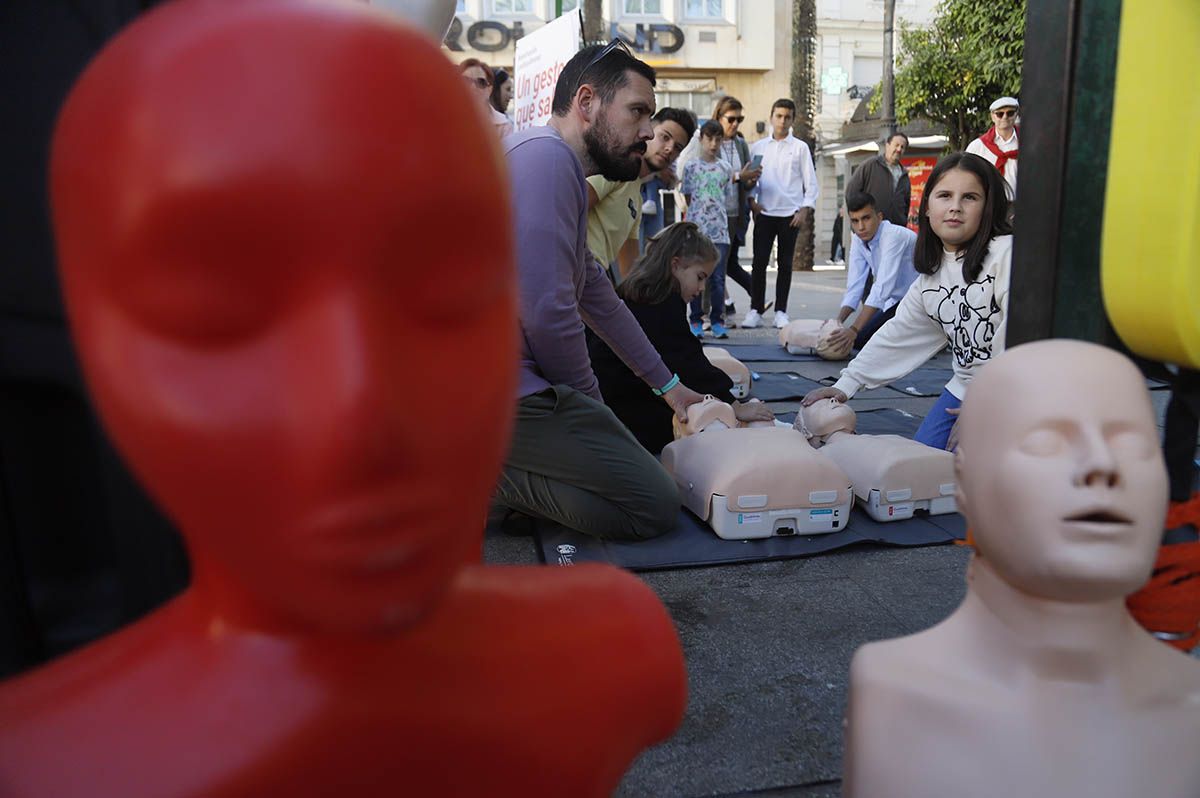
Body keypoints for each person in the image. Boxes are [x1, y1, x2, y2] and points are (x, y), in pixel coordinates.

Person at [0, 3, 689, 795]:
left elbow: (585, 294)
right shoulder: (40, 763)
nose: (359, 416)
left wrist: (663, 386)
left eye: (446, 290)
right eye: (216, 314)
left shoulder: (613, 660)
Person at [844, 340, 1200, 798]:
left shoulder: (1188, 702)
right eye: (1046, 443)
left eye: (1133, 444)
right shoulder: (892, 690)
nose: (1102, 465)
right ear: (963, 482)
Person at [499, 41, 705, 540]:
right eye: (637, 112)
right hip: (497, 395)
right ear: (586, 103)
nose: (648, 134)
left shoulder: (554, 165)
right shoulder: (546, 161)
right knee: (654, 504)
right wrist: (597, 415)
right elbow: (548, 313)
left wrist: (669, 387)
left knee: (631, 479)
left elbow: (597, 297)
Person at [801, 152, 1013, 451]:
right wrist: (845, 385)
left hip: (1017, 390)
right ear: (927, 207)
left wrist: (988, 407)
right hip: (966, 388)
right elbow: (898, 334)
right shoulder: (931, 277)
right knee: (927, 463)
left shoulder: (1007, 253)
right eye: (944, 195)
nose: (955, 207)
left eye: (969, 197)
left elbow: (1020, 338)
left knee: (983, 470)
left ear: (988, 207)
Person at [589, 223, 774, 455]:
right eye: (699, 277)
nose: (701, 288)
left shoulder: (643, 293)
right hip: (621, 410)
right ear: (675, 265)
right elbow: (687, 361)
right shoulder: (659, 304)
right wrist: (733, 405)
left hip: (609, 398)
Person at [587, 107, 694, 282]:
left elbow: (629, 269)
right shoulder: (614, 169)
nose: (669, 149)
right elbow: (566, 210)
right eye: (665, 137)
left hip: (594, 282)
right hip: (574, 276)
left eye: (677, 147)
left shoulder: (636, 198)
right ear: (648, 131)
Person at [678, 95, 762, 318]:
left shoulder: (739, 145)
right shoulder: (697, 153)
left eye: (739, 119)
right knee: (701, 268)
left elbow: (739, 184)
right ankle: (701, 315)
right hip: (701, 220)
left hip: (729, 216)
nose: (735, 124)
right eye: (731, 119)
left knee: (721, 269)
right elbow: (686, 187)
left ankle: (719, 314)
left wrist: (748, 179)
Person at [745, 98, 818, 330]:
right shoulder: (758, 147)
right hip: (765, 213)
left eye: (787, 116)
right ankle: (755, 310)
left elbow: (811, 183)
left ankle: (781, 312)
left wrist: (804, 209)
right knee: (758, 264)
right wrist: (752, 203)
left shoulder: (800, 148)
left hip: (790, 215)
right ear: (771, 117)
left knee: (785, 265)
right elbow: (750, 179)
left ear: (793, 119)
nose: (782, 120)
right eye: (779, 116)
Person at [827, 190, 918, 351]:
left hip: (919, 302)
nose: (861, 227)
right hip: (894, 302)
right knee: (861, 339)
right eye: (855, 221)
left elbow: (882, 288)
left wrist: (853, 329)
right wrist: (837, 322)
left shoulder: (893, 236)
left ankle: (926, 337)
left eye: (866, 218)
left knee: (861, 339)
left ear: (880, 217)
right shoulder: (858, 238)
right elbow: (855, 286)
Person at [680, 120, 733, 338]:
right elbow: (688, 196)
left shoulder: (725, 168)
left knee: (718, 279)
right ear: (701, 139)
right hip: (697, 230)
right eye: (709, 138)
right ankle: (695, 320)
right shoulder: (691, 167)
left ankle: (718, 320)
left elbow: (726, 197)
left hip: (719, 230)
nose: (713, 143)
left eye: (717, 139)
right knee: (694, 275)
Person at [845, 131, 911, 227]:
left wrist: (902, 221)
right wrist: (858, 221)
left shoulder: (904, 175)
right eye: (896, 145)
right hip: (871, 228)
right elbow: (851, 193)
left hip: (895, 229)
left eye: (902, 147)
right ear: (887, 145)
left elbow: (906, 203)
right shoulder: (870, 165)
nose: (899, 149)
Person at [966, 96, 1019, 194]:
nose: (1005, 117)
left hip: (1022, 203)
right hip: (990, 204)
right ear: (992, 116)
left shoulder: (1028, 144)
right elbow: (967, 177)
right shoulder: (977, 147)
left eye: (1010, 113)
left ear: (1016, 115)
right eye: (1000, 114)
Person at [459, 57, 513, 139]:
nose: (473, 87)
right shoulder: (443, 119)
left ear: (489, 90)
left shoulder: (503, 126)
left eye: (481, 82)